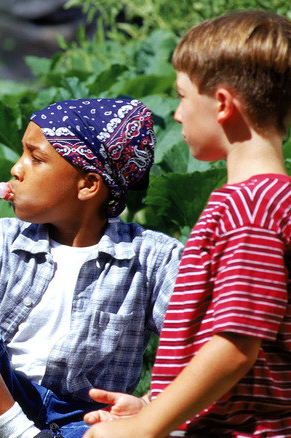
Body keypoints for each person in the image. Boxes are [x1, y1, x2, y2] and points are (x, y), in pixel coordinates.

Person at [0, 98, 184, 438]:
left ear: (87, 185)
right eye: (21, 154)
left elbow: (201, 342)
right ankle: (19, 432)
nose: (16, 168)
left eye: (35, 158)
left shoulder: (151, 257)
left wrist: (149, 404)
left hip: (85, 421)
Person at [83, 10, 291, 438]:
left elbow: (236, 347)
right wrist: (149, 404)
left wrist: (147, 427)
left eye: (181, 96)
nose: (176, 114)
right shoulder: (263, 201)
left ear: (222, 104)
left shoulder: (251, 209)